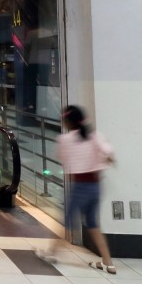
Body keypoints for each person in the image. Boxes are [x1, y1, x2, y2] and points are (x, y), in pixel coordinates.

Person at [40, 105, 117, 274]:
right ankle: (108, 263)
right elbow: (109, 154)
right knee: (93, 224)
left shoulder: (65, 139)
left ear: (68, 121)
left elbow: (62, 157)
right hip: (96, 186)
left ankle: (51, 253)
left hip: (80, 187)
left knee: (67, 221)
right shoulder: (95, 136)